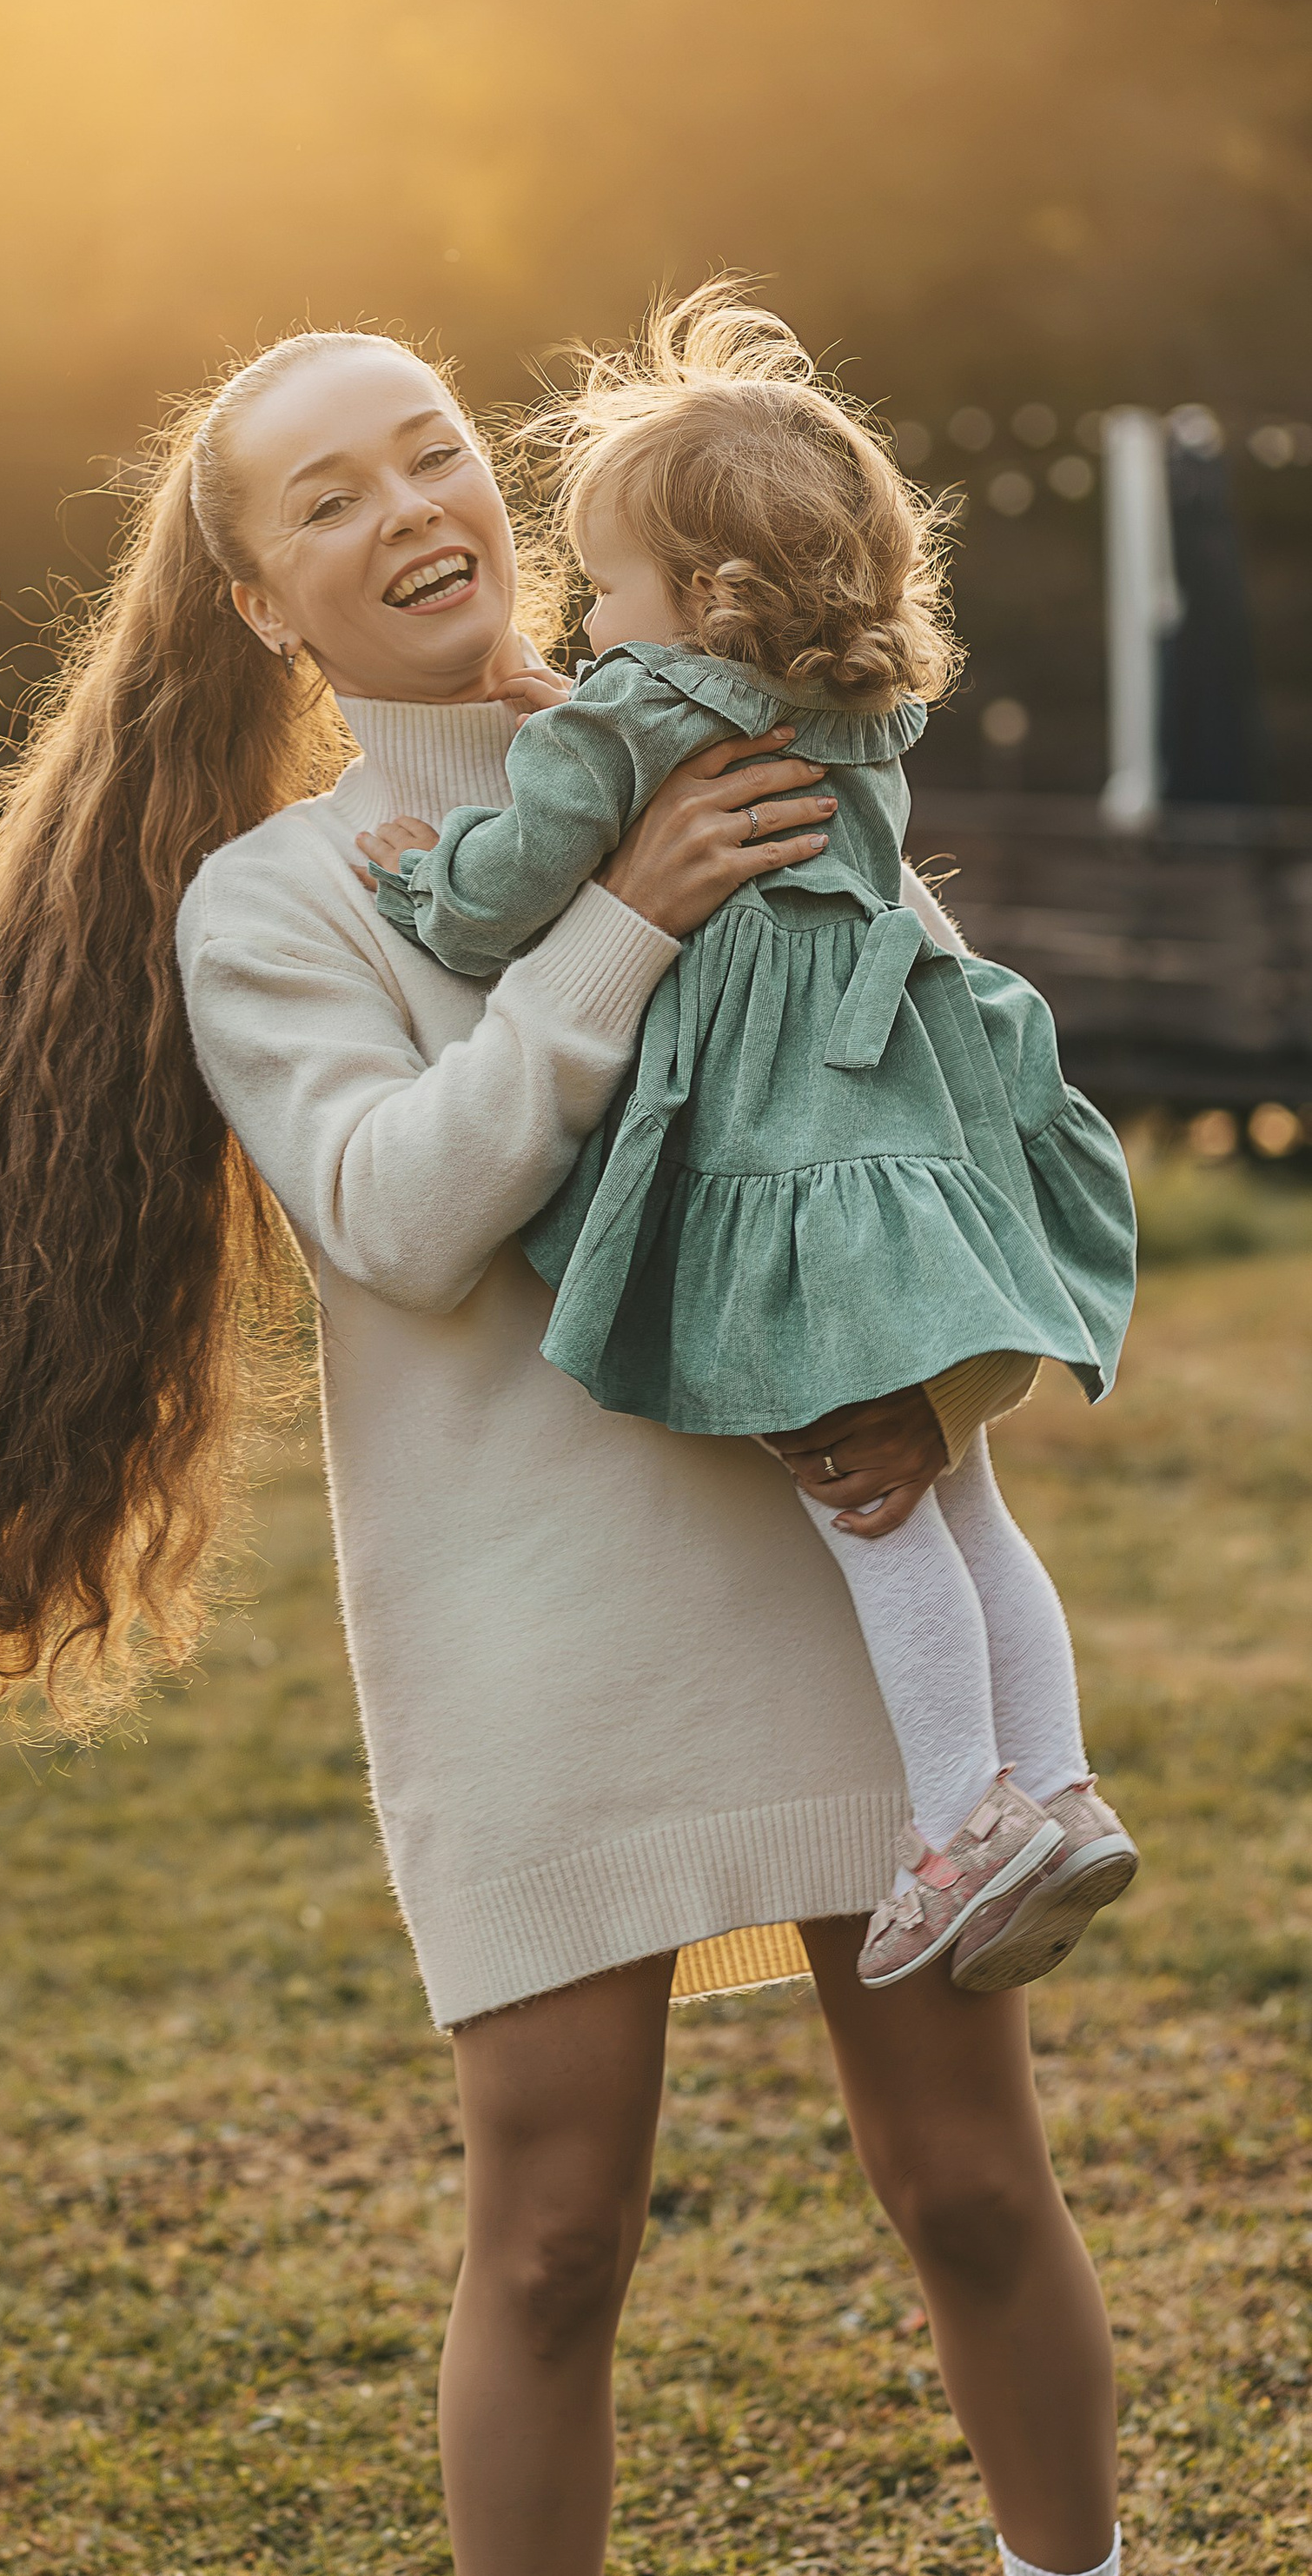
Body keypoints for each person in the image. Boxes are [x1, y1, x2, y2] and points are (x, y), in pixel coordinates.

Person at [0, 326, 1182, 2576]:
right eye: (327, 499)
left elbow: (936, 1102)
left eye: (432, 456)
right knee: (555, 2230)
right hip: (523, 1638)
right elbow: (399, 1212)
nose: (405, 513)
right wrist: (624, 917)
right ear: (263, 598)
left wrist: (939, 1390)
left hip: (818, 1578)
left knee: (968, 2182)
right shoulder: (277, 901)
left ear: (503, 487)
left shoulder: (739, 739)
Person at [361, 288, 1141, 1998]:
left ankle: (962, 1823)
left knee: (857, 1493)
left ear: (697, 596)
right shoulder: (850, 705)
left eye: (604, 585)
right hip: (910, 1124)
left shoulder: (638, 708)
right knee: (949, 1484)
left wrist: (421, 873)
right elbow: (670, 730)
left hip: (783, 1159)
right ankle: (1061, 1786)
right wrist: (588, 697)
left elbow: (503, 893)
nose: (585, 617)